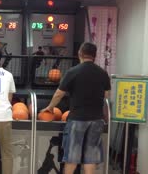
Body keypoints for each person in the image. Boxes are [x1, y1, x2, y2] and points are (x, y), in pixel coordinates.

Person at [40, 42, 111, 174]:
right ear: (94, 56)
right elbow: (106, 95)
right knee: (90, 158)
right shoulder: (103, 73)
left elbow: (59, 94)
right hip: (96, 119)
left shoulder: (73, 72)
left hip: (77, 119)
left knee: (72, 157)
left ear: (80, 54)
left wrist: (49, 108)